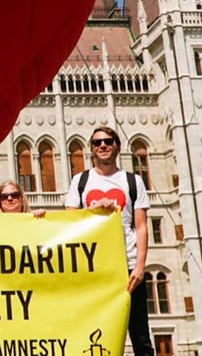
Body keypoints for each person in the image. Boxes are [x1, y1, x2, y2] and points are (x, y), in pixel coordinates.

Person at [65, 126, 153, 356]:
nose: (102, 145)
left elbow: (141, 226)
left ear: (117, 146)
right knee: (94, 331)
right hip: (94, 268)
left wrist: (140, 267)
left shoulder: (133, 181)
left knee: (140, 335)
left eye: (108, 141)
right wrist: (93, 209)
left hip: (129, 266)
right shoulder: (80, 181)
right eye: (97, 143)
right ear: (91, 150)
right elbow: (69, 220)